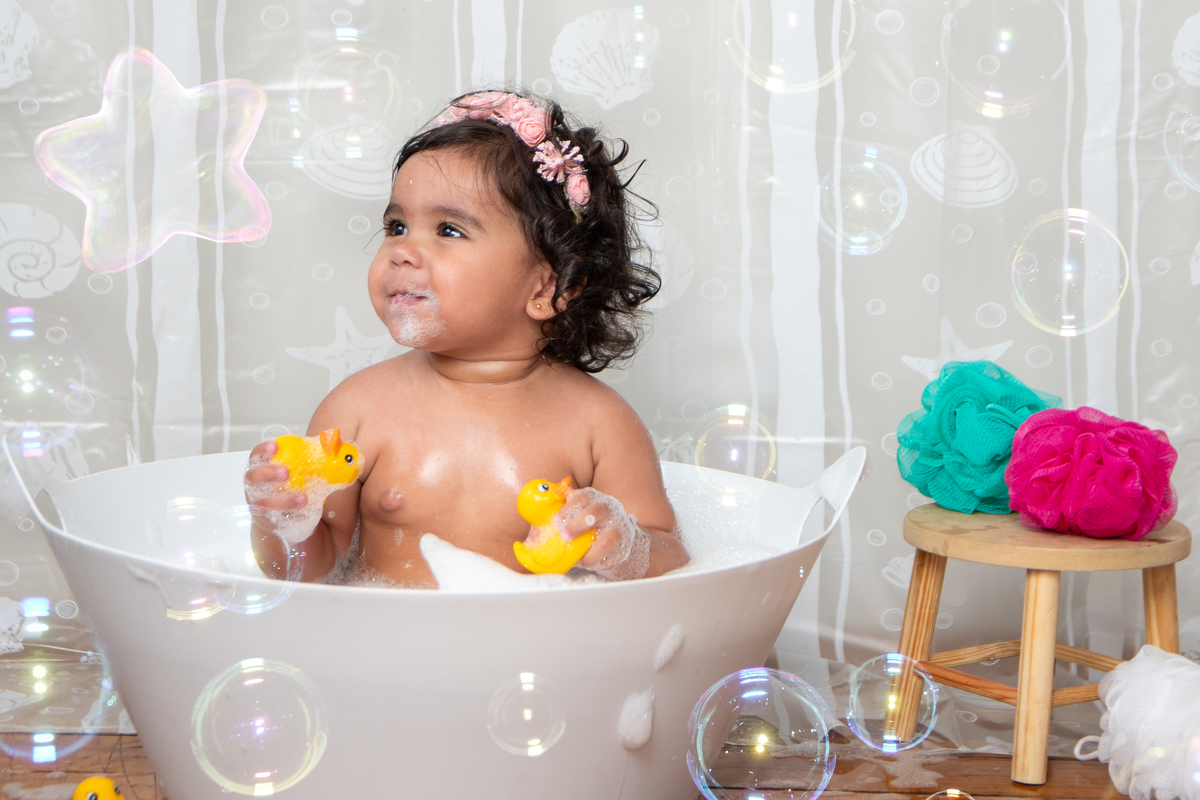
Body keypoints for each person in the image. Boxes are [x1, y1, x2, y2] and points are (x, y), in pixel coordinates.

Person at [244, 91, 689, 587]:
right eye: (396, 226)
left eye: (449, 230)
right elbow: (309, 573)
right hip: (386, 650)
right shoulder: (357, 410)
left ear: (549, 288)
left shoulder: (599, 424)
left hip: (536, 654)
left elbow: (669, 554)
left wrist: (622, 544)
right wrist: (284, 522)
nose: (403, 251)